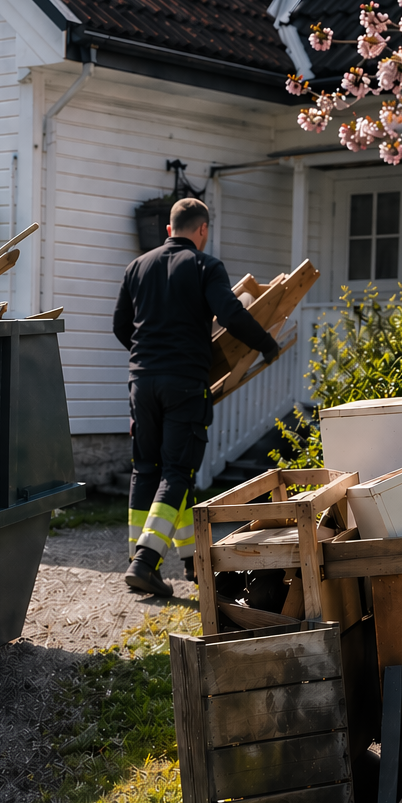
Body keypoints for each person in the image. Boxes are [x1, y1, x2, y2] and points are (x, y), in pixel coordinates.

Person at [112, 198, 279, 597]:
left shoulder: (137, 266)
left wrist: (149, 356)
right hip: (184, 383)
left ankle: (186, 562)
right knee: (178, 471)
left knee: (147, 469)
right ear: (202, 229)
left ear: (169, 229)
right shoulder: (205, 266)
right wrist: (267, 344)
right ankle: (145, 562)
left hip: (141, 382)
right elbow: (231, 314)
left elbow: (120, 326)